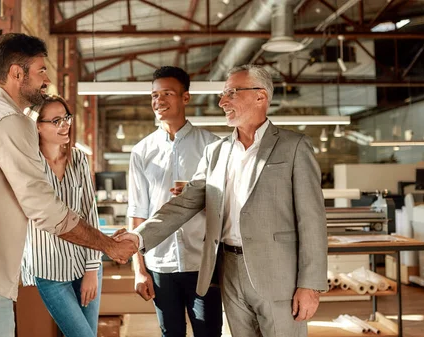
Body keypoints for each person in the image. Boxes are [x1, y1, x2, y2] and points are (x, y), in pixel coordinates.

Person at [0, 33, 136, 337]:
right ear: (16, 73)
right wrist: (109, 246)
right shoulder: (8, 121)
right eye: (40, 71)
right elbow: (43, 207)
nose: (47, 80)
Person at [117, 64, 328, 336]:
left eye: (231, 93)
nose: (221, 101)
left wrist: (310, 284)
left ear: (260, 97)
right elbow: (184, 204)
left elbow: (312, 221)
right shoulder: (216, 151)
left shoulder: (294, 146)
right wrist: (138, 238)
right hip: (228, 270)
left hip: (279, 276)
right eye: (222, 94)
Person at [128, 66, 222, 337]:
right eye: (154, 95)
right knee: (170, 333)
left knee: (209, 333)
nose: (159, 101)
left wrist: (198, 197)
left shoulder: (212, 146)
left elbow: (228, 207)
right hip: (159, 264)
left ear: (186, 98)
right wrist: (139, 270)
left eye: (167, 93)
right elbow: (137, 213)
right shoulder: (141, 151)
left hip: (203, 264)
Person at [21, 95, 102, 336]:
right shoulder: (28, 164)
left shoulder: (78, 159)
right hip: (49, 270)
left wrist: (92, 269)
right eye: (56, 120)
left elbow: (90, 212)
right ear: (37, 125)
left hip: (85, 263)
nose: (65, 124)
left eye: (66, 117)